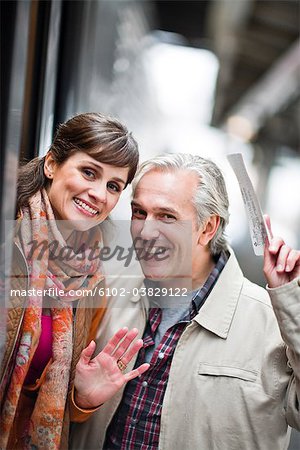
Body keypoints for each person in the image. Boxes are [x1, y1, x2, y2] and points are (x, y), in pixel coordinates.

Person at [70, 153, 300, 450]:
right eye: (139, 213)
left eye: (167, 216)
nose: (146, 232)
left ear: (208, 228)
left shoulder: (271, 320)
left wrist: (292, 305)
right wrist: (81, 402)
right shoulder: (106, 294)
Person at [0, 112, 150, 450]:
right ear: (52, 164)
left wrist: (83, 398)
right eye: (88, 172)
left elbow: (54, 403)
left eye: (113, 186)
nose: (99, 193)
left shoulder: (93, 281)